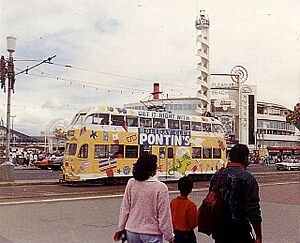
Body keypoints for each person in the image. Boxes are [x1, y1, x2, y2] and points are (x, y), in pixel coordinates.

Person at [115, 154, 174, 243]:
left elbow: (125, 209)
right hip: (152, 234)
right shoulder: (161, 187)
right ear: (153, 169)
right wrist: (169, 236)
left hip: (132, 231)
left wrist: (120, 228)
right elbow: (164, 216)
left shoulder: (131, 183)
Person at [210, 144, 262, 243]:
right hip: (240, 231)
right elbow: (253, 210)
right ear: (245, 159)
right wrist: (258, 236)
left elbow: (212, 200)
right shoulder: (248, 179)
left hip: (220, 231)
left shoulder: (217, 175)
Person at [170, 176, 198, 243]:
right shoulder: (191, 205)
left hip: (175, 234)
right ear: (191, 189)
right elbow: (192, 224)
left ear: (178, 188)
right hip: (187, 235)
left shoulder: (173, 202)